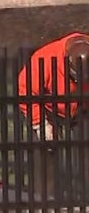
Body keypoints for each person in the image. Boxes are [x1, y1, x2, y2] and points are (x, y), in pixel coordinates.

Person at [17, 32, 89, 200]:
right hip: (49, 110)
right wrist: (39, 123)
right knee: (45, 156)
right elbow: (25, 90)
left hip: (82, 108)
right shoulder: (45, 58)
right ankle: (44, 201)